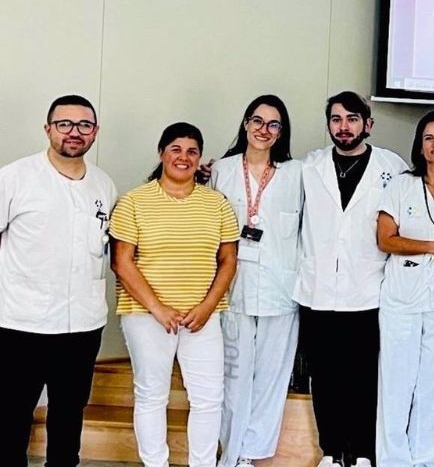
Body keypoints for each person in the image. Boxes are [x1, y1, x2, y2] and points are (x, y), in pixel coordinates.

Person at [110, 122, 240, 467]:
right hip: (146, 315)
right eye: (176, 150)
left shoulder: (217, 204)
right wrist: (158, 308)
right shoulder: (134, 201)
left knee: (209, 398)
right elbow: (122, 262)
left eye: (192, 151)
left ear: (200, 159)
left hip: (202, 317)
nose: (184, 157)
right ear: (161, 153)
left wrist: (208, 306)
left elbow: (228, 260)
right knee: (152, 395)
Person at [0, 95, 117, 467]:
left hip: (82, 325)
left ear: (95, 132)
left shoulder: (103, 185)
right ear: (48, 128)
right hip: (22, 323)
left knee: (69, 417)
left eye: (84, 125)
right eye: (64, 124)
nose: (74, 132)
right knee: (11, 419)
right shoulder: (15, 177)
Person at [294, 91, 408, 467]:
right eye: (337, 119)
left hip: (368, 290)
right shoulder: (309, 167)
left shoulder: (392, 168)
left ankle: (360, 452)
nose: (344, 127)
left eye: (353, 119)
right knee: (324, 378)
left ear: (368, 125)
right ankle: (330, 451)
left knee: (363, 378)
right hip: (318, 291)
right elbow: (266, 177)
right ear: (328, 124)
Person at [210, 95, 304, 467]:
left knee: (271, 377)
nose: (264, 130)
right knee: (233, 375)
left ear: (282, 132)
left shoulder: (297, 172)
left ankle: (250, 455)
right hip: (232, 287)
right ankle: (229, 453)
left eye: (273, 124)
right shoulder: (222, 169)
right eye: (257, 121)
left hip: (281, 287)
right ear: (246, 124)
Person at [375, 110, 434, 467]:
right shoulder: (400, 185)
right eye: (429, 138)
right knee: (396, 382)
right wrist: (433, 246)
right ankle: (393, 459)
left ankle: (425, 459)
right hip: (401, 298)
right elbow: (385, 239)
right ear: (419, 145)